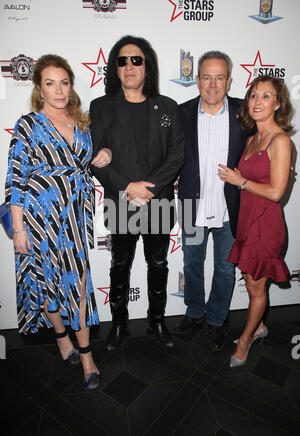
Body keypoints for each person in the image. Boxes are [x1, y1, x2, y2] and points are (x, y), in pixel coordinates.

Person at [5, 54, 112, 390]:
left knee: (78, 285)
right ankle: (62, 337)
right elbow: (15, 179)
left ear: (71, 85)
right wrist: (18, 228)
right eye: (50, 83)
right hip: (39, 217)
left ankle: (86, 356)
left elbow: (82, 162)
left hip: (74, 215)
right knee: (46, 281)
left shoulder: (82, 123)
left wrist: (101, 156)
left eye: (64, 82)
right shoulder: (29, 125)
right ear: (39, 87)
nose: (59, 90)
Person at [89, 35, 185, 351]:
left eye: (136, 60)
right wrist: (127, 186)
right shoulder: (100, 107)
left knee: (158, 264)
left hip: (157, 201)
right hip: (121, 201)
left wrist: (149, 189)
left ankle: (157, 321)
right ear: (115, 68)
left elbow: (177, 154)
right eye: (122, 60)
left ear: (147, 66)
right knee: (120, 265)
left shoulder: (168, 106)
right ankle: (118, 324)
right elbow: (95, 158)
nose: (129, 66)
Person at [175, 51, 249, 350]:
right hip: (193, 206)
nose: (213, 84)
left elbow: (264, 146)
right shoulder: (181, 113)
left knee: (225, 269)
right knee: (192, 264)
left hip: (231, 209)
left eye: (220, 77)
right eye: (207, 77)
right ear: (197, 80)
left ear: (229, 80)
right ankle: (194, 313)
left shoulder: (245, 112)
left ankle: (217, 319)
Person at [218, 75, 292, 367]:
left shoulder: (281, 140)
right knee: (251, 286)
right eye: (253, 96)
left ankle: (247, 339)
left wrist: (241, 180)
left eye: (266, 96)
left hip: (266, 225)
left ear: (277, 104)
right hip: (247, 222)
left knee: (257, 288)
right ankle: (259, 326)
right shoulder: (250, 139)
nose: (257, 101)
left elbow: (275, 193)